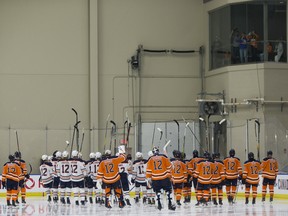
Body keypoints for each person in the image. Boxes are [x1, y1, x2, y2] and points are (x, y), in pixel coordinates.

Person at [146, 146, 176, 210]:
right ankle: (170, 204)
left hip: (155, 179)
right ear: (158, 151)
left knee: (158, 192)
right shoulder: (163, 157)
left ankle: (159, 204)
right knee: (168, 191)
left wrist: (149, 179)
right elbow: (170, 168)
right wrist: (170, 176)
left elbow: (148, 171)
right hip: (164, 178)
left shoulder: (150, 159)